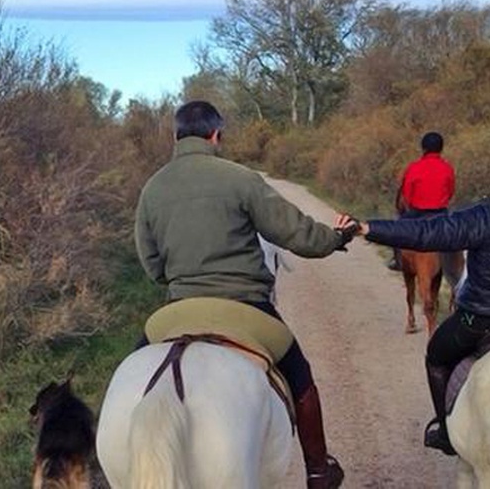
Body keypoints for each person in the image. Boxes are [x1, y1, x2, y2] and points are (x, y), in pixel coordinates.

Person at [135, 100, 349, 488]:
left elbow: (151, 266)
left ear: (175, 136)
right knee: (300, 376)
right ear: (216, 135)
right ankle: (319, 470)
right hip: (245, 308)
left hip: (176, 310)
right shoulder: (241, 178)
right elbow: (295, 233)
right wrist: (336, 238)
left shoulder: (153, 188)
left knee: (134, 376)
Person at [337, 143, 490, 456]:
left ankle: (446, 433)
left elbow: (427, 233)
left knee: (436, 356)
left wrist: (367, 228)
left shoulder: (484, 217)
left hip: (480, 319)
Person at [388, 131, 455, 270]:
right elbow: (450, 192)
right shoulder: (447, 168)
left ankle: (396, 259)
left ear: (423, 148)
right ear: (441, 148)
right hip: (441, 215)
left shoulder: (413, 167)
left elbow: (406, 195)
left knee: (397, 227)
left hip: (417, 214)